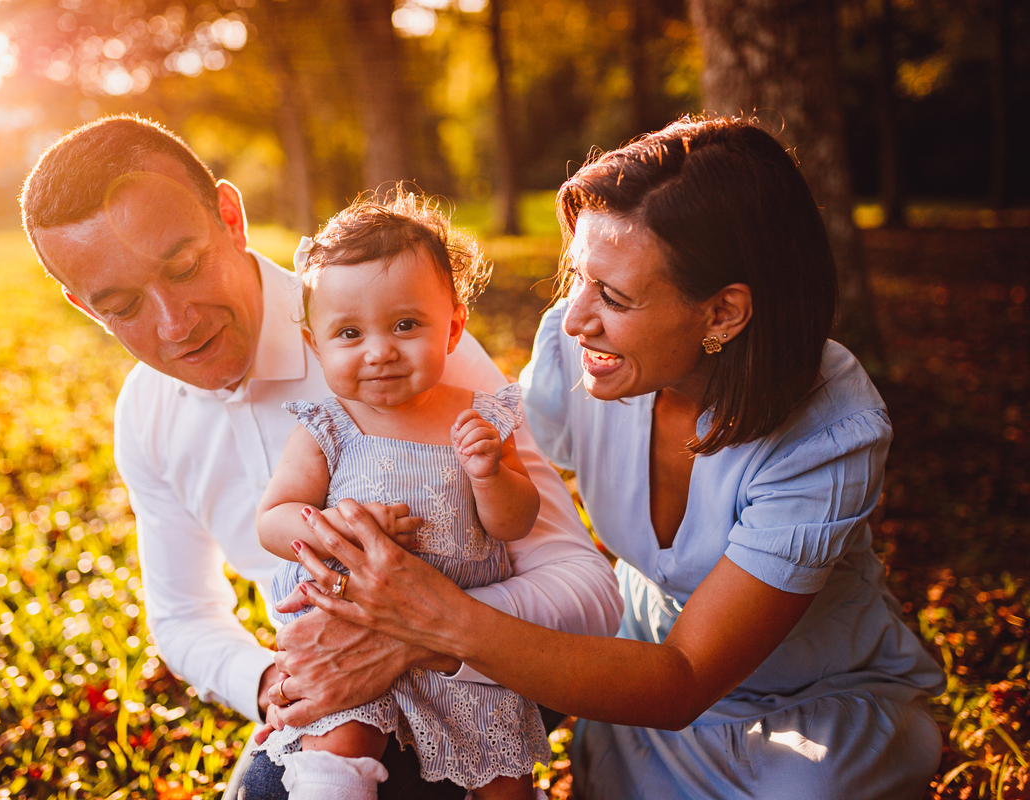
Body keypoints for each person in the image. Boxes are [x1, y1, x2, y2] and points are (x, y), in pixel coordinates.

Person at [270, 116, 948, 800]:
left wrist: (429, 627)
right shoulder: (582, 352)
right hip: (626, 674)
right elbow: (509, 516)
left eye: (614, 298)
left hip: (794, 708)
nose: (573, 319)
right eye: (578, 279)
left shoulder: (831, 433)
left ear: (722, 315)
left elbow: (684, 677)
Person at [17, 115, 622, 798]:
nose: (174, 324)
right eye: (122, 306)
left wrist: (419, 634)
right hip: (332, 702)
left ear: (229, 215)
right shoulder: (146, 416)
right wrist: (276, 682)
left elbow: (588, 591)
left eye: (184, 267)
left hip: (480, 665)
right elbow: (183, 614)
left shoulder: (392, 331)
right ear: (81, 304)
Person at [255, 193, 548, 800]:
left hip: (459, 643)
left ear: (454, 327)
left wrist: (491, 475)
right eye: (349, 333)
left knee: (503, 775)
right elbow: (274, 520)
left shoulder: (479, 417)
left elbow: (515, 523)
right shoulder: (326, 427)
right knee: (338, 749)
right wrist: (336, 524)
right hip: (350, 628)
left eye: (406, 325)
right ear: (316, 345)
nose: (379, 350)